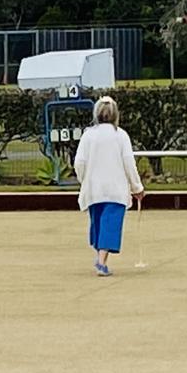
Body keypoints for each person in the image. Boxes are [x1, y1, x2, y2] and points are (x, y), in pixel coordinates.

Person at [73, 96, 144, 277]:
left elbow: (79, 163)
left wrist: (85, 180)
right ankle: (101, 262)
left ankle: (100, 258)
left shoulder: (88, 135)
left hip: (94, 189)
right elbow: (129, 163)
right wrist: (137, 187)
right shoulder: (121, 135)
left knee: (98, 223)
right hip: (115, 190)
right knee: (109, 224)